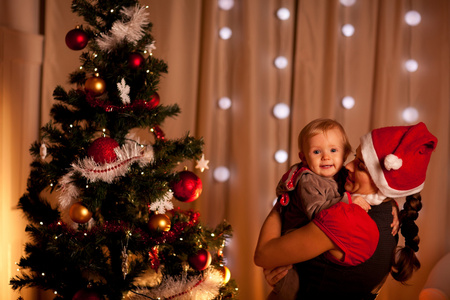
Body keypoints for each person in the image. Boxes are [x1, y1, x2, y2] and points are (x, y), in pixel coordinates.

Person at [254, 122, 438, 299]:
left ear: (380, 181)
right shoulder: (386, 211)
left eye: (360, 166)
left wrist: (285, 201)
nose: (347, 166)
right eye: (354, 158)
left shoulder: (346, 218)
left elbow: (263, 255)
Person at [271, 119, 373, 299]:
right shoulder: (308, 180)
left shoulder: (340, 175)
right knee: (289, 285)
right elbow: (317, 212)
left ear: (345, 153)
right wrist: (348, 200)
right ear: (303, 157)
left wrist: (393, 205)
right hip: (294, 235)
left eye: (333, 150)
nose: (326, 157)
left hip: (315, 235)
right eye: (317, 152)